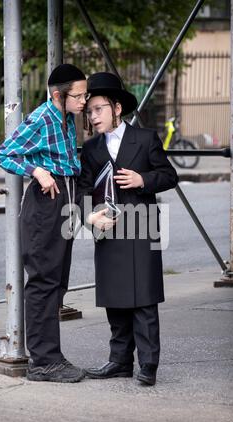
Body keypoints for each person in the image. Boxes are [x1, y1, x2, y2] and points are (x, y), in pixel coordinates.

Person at [77, 72, 179, 385]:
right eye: (90, 111)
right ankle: (119, 362)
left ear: (117, 108)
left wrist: (142, 180)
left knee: (144, 300)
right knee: (115, 300)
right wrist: (88, 217)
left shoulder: (146, 139)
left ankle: (148, 366)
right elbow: (81, 190)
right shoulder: (91, 149)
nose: (93, 116)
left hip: (142, 228)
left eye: (98, 109)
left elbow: (169, 175)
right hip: (107, 231)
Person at [0, 64, 88, 383]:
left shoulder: (67, 118)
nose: (84, 101)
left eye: (85, 94)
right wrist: (36, 171)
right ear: (58, 95)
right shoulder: (42, 117)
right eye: (79, 95)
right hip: (46, 202)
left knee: (57, 281)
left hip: (67, 198)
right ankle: (44, 362)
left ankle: (51, 355)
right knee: (44, 281)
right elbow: (3, 154)